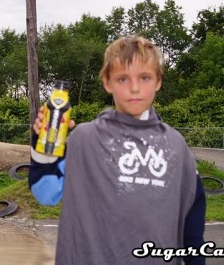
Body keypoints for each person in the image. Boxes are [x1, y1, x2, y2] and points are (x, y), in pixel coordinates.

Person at [28, 36, 205, 265]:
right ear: (107, 82)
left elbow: (192, 230)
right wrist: (43, 142)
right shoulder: (85, 139)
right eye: (122, 79)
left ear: (158, 81)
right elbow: (45, 193)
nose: (134, 88)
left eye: (144, 77)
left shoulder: (175, 146)